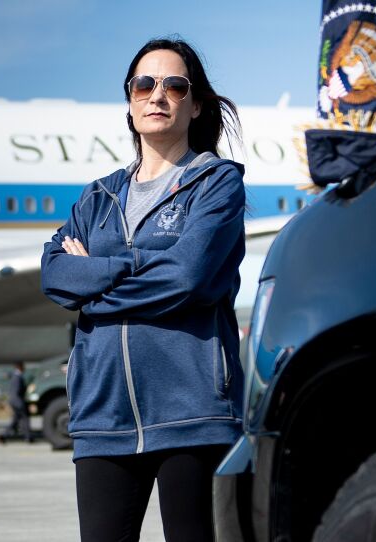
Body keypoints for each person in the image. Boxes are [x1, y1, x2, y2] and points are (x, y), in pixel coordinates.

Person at [41, 37, 245, 541]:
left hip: (193, 410)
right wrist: (141, 267)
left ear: (195, 105)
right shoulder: (98, 196)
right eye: (144, 85)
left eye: (174, 85)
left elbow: (187, 277)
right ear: (130, 102)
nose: (158, 95)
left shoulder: (216, 184)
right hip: (103, 414)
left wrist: (99, 275)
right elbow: (53, 274)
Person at [0, 362, 33, 444]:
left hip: (13, 401)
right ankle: (28, 437)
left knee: (15, 420)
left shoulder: (14, 376)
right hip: (18, 401)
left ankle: (4, 435)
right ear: (20, 367)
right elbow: (18, 391)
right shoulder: (18, 377)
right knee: (25, 418)